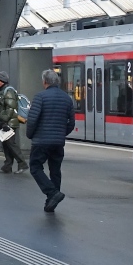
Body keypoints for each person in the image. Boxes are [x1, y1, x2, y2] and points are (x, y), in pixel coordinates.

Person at [26, 69, 76, 212]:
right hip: (58, 142)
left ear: (44, 82)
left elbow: (32, 120)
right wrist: (61, 134)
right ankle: (51, 202)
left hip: (41, 141)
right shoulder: (67, 98)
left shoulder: (40, 97)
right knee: (55, 170)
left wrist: (30, 135)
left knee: (35, 167)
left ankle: (52, 193)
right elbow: (71, 123)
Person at [0, 71, 27, 174]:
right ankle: (7, 166)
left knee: (11, 144)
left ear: (1, 81)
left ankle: (22, 164)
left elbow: (10, 108)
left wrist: (4, 121)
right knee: (6, 144)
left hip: (9, 123)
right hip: (7, 122)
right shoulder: (5, 91)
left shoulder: (8, 91)